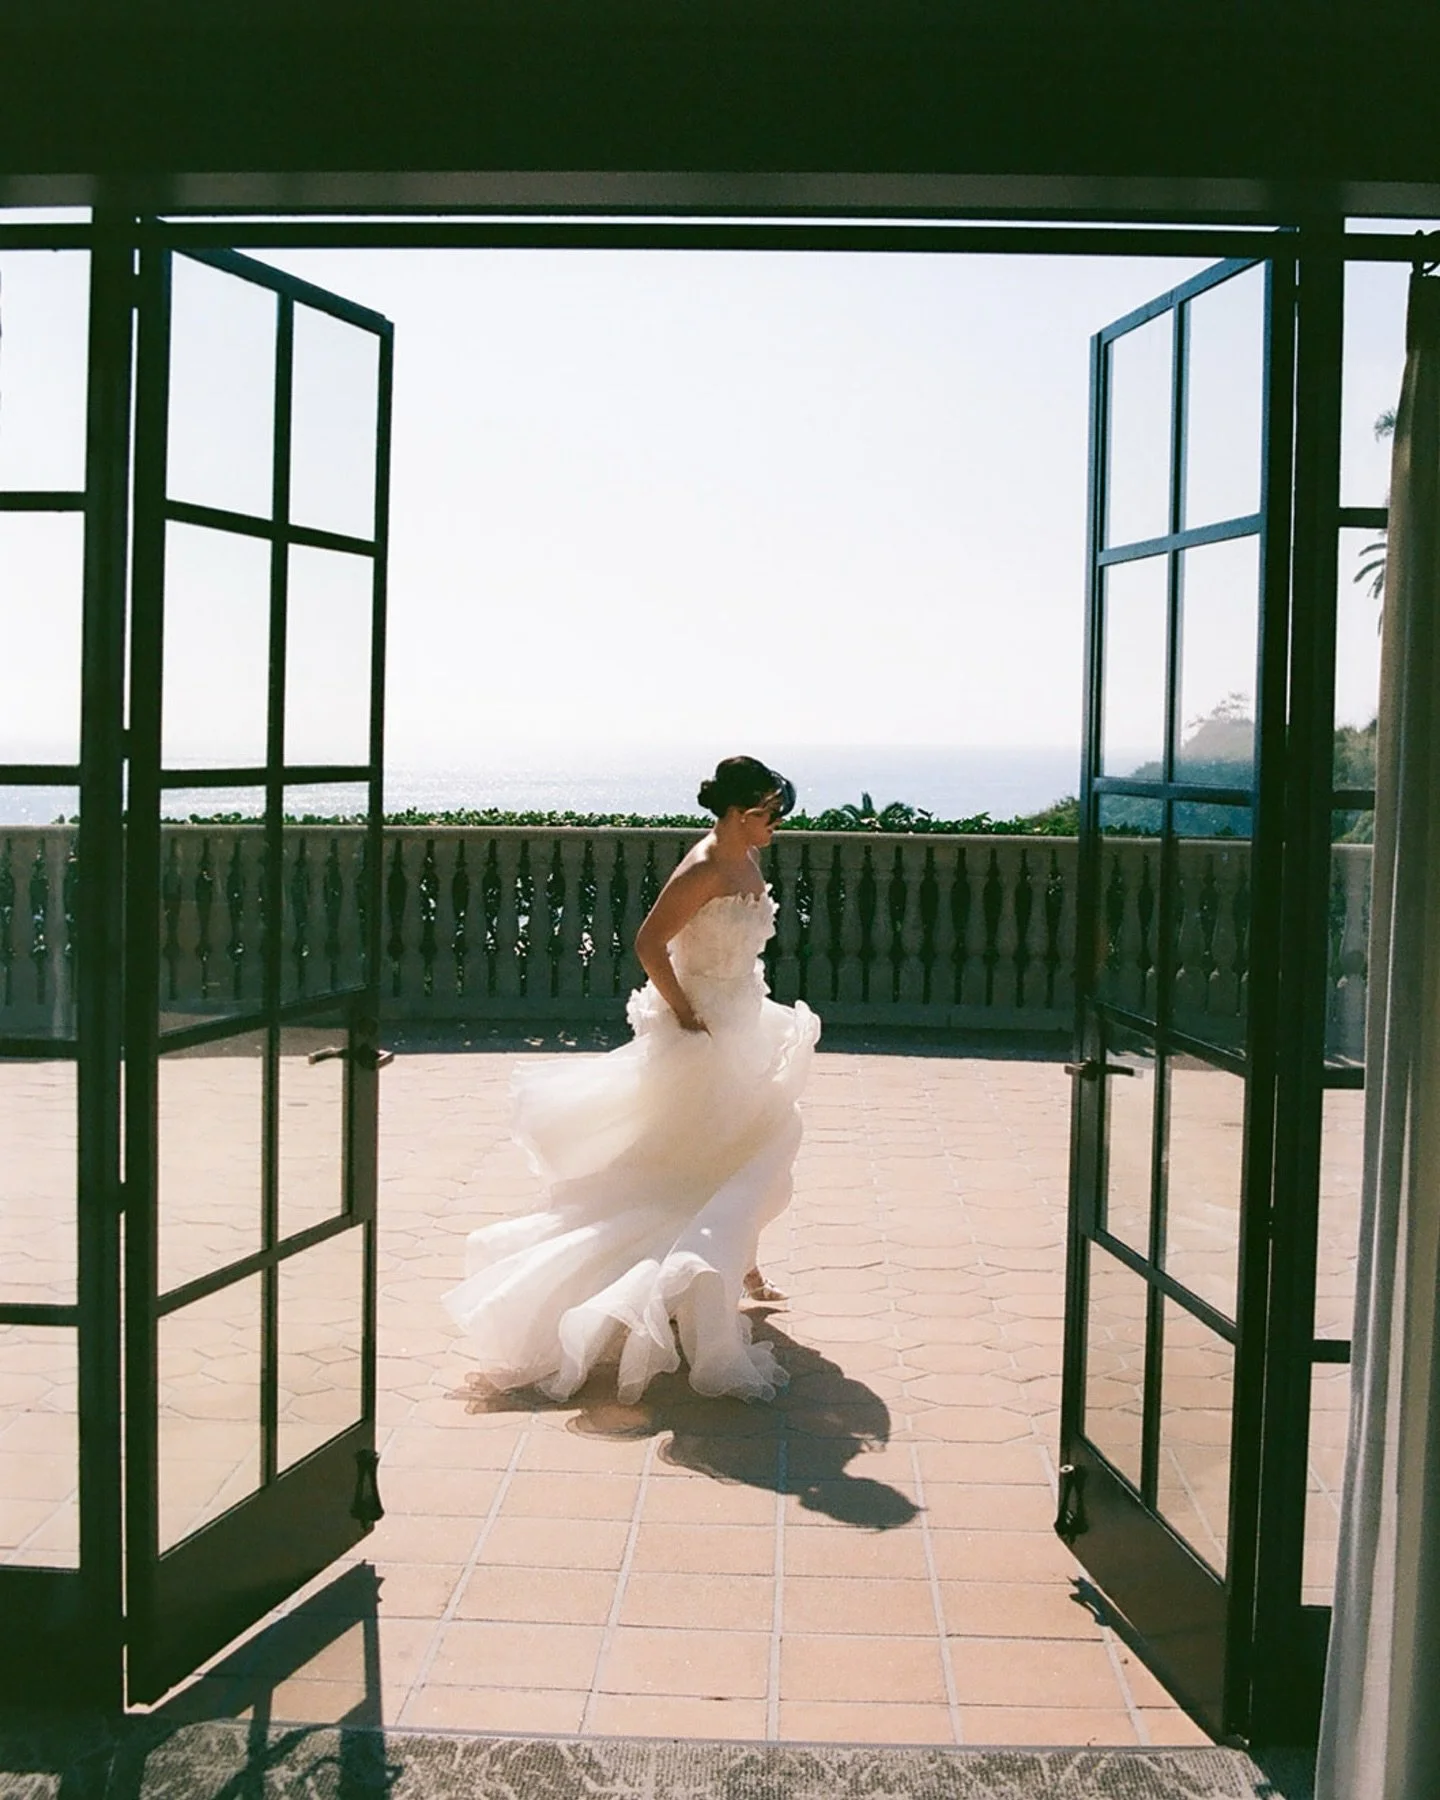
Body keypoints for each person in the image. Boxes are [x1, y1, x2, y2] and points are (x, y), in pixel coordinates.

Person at [443, 755, 821, 1404]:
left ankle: (741, 1263)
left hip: (742, 1019)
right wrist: (683, 1014)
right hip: (699, 1031)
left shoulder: (747, 860)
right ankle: (661, 1282)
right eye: (766, 813)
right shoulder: (702, 868)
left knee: (747, 1149)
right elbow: (649, 943)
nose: (775, 825)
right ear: (736, 812)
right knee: (687, 1165)